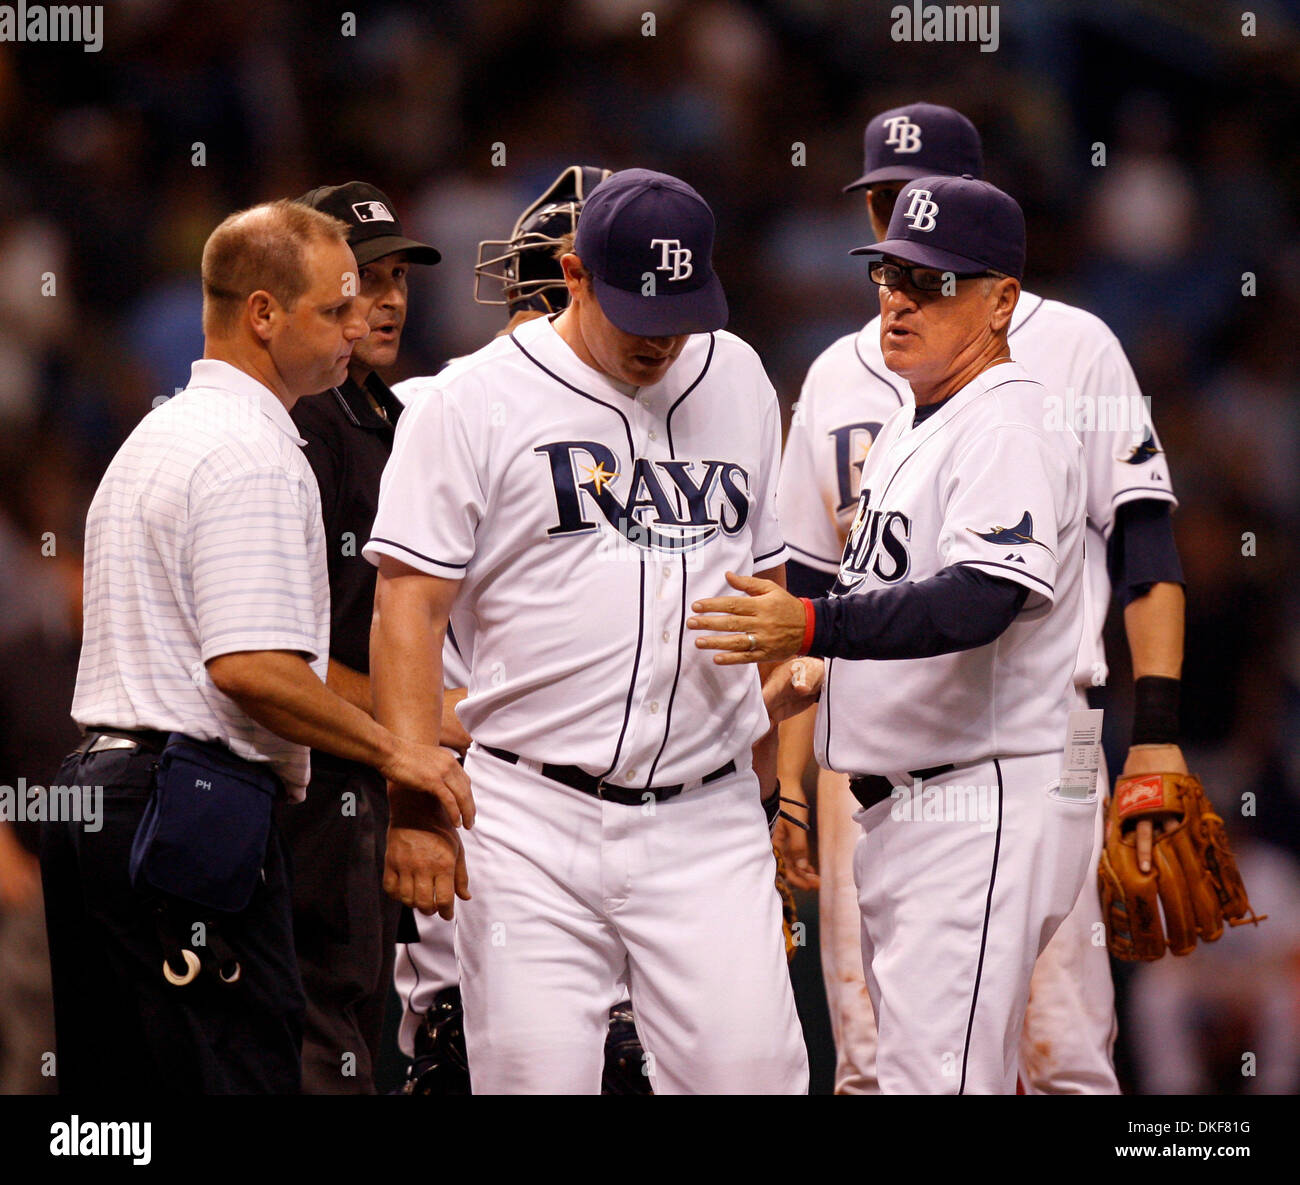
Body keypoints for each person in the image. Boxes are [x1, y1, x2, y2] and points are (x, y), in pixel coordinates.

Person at [366, 168, 808, 1094]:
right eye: (638, 312)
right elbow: (408, 609)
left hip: (707, 817)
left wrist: (773, 778)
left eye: (681, 311)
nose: (661, 337)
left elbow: (763, 584)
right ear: (572, 275)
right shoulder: (467, 400)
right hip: (528, 813)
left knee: (758, 1076)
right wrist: (412, 801)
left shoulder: (737, 374)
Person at [775, 103, 1184, 1093]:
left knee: (1063, 1053)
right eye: (879, 210)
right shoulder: (852, 374)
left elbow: (1143, 548)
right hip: (872, 745)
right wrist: (788, 779)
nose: (891, 229)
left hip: (1035, 738)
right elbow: (806, 582)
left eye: (915, 213)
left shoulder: (1067, 353)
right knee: (877, 1060)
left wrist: (1157, 729)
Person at [41, 199, 471, 1094]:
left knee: (119, 1109)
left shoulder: (157, 434)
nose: (362, 324)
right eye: (336, 308)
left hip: (109, 799)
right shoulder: (255, 454)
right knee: (238, 1074)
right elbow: (250, 669)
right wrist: (405, 749)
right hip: (190, 804)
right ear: (264, 314)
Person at [689, 175, 1093, 1094]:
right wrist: (813, 675)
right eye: (891, 274)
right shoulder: (924, 414)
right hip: (912, 804)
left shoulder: (1008, 416)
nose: (900, 299)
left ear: (1000, 302)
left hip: (974, 800)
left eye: (934, 282)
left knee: (935, 1082)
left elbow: (982, 596)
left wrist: (808, 624)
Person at [395, 163, 656, 1095]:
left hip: (614, 825)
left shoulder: (666, 413)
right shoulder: (430, 406)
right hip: (489, 814)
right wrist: (446, 721)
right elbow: (368, 630)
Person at [277, 181, 441, 1094]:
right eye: (362, 278)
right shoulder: (308, 421)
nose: (386, 299)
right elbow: (286, 650)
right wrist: (427, 725)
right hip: (310, 787)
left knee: (353, 1033)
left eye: (398, 278)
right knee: (317, 1032)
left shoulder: (385, 416)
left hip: (368, 778)